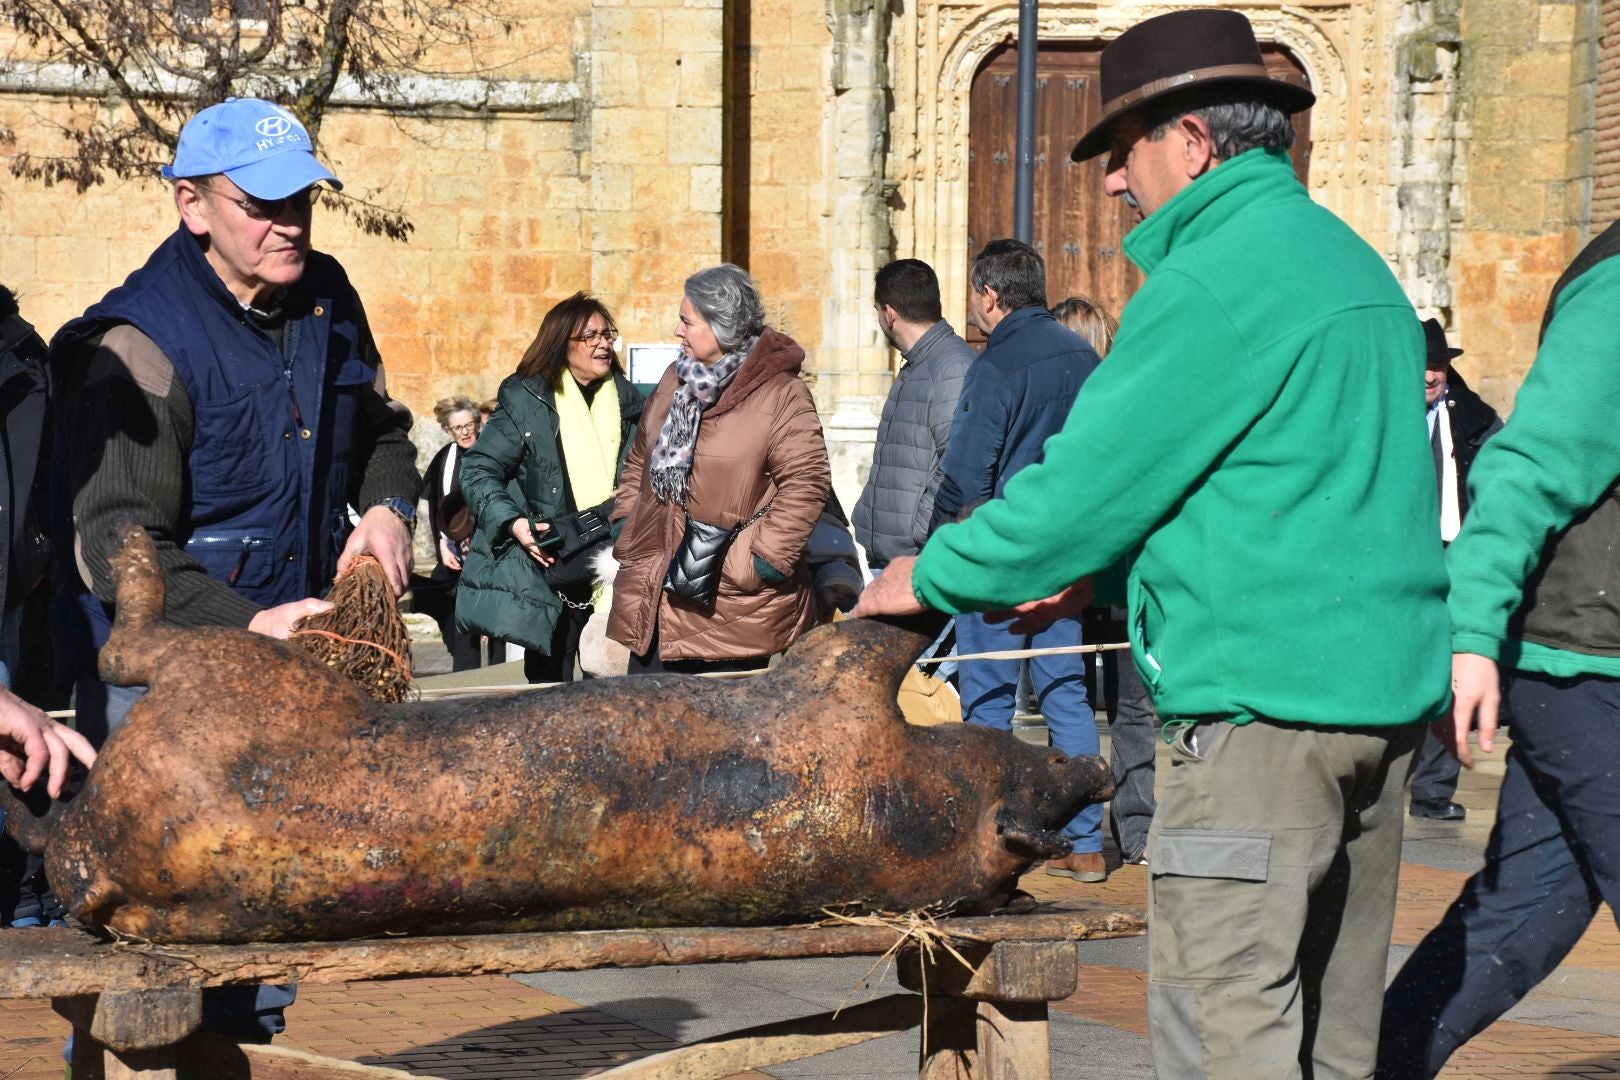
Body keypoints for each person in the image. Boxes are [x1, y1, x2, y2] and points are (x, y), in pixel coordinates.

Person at [854, 10, 1450, 1077]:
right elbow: (1294, 489)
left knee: (1230, 1038)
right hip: (1378, 707)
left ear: (1192, 140)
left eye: (1124, 153)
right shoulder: (1349, 263)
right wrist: (1106, 576)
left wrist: (927, 575)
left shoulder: (1217, 278)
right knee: (1333, 1044)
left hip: (1262, 716)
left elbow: (1082, 487)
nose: (1116, 185)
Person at [48, 96, 420, 1040]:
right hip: (167, 685)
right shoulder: (135, 342)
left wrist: (386, 508)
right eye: (261, 204)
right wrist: (246, 625)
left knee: (262, 933)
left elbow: (382, 433)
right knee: (155, 943)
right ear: (192, 204)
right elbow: (116, 546)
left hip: (289, 670)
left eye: (301, 200)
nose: (288, 222)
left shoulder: (328, 296)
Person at [1376, 221, 1620, 1080]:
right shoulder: (1617, 292)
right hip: (1584, 664)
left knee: (1525, 911)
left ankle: (1376, 1067)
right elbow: (1523, 468)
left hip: (1588, 665)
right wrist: (1471, 638)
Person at [928, 241, 1106, 883]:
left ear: (989, 295)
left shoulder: (996, 365)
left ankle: (996, 837)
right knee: (1066, 692)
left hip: (1001, 551)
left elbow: (967, 476)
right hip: (1067, 551)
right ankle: (1087, 842)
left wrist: (935, 547)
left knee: (989, 698)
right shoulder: (1085, 357)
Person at [608, 264, 831, 673]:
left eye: (686, 321)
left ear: (721, 326)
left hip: (728, 608)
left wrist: (758, 559)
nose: (677, 331)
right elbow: (639, 458)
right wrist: (627, 518)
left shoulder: (782, 394)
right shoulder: (675, 380)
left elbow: (808, 482)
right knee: (651, 730)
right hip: (655, 595)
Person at [456, 293, 645, 683]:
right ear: (563, 344)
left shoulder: (631, 404)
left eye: (606, 334)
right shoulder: (527, 401)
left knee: (612, 696)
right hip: (551, 570)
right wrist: (512, 522)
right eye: (589, 335)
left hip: (615, 564)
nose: (602, 343)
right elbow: (478, 469)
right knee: (546, 696)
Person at [1052, 295, 1153, 870]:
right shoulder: (1126, 396)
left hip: (1091, 575)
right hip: (1116, 575)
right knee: (1127, 709)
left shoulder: (1095, 402)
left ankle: (1087, 831)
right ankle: (1131, 831)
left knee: (1075, 698)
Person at [1406, 317, 1502, 822]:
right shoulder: (1380, 413)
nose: (1429, 376)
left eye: (1438, 366)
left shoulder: (1474, 418)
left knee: (1452, 667)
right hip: (1396, 555)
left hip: (1453, 551)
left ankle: (1434, 790)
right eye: (1422, 365)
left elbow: (1501, 478)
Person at [852, 259, 973, 572]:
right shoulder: (919, 364)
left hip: (916, 561)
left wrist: (920, 529)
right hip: (893, 559)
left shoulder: (951, 368)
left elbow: (957, 460)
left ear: (889, 313)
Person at [415, 396, 490, 672]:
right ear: (448, 430)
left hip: (491, 554)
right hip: (455, 556)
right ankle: (466, 679)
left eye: (469, 425)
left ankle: (498, 679)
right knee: (457, 623)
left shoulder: (493, 453)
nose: (465, 432)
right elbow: (434, 508)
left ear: (478, 423)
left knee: (497, 625)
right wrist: (443, 545)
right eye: (458, 428)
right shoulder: (443, 459)